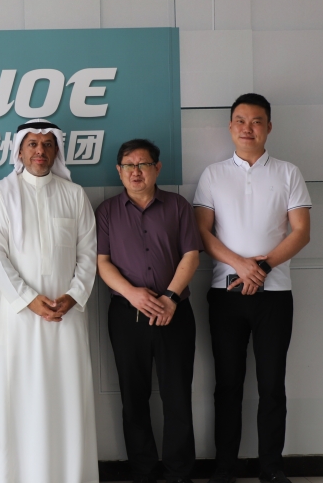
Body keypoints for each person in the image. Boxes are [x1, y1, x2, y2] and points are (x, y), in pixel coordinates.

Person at [193, 93, 311, 483]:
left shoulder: (288, 172)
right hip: (224, 294)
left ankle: (271, 467)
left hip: (274, 296)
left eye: (257, 121)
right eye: (240, 121)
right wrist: (241, 265)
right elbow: (202, 232)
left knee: (272, 385)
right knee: (227, 384)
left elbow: (301, 232)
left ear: (269, 127)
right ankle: (225, 466)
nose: (248, 128)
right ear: (230, 127)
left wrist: (262, 267)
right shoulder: (212, 175)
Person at [0, 119, 99, 483]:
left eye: (48, 144)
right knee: (21, 396)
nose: (40, 151)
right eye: (32, 144)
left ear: (56, 151)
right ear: (19, 150)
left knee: (67, 396)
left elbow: (88, 254)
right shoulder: (3, 194)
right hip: (18, 318)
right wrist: (28, 299)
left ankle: (70, 475)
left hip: (67, 315)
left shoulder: (74, 194)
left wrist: (73, 296)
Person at [96, 139, 203, 483]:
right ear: (119, 171)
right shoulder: (107, 211)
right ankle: (143, 470)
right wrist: (132, 294)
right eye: (129, 165)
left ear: (157, 168)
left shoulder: (178, 206)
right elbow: (102, 262)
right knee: (133, 396)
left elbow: (191, 255)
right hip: (127, 315)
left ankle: (179, 472)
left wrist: (170, 297)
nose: (136, 172)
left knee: (177, 395)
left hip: (175, 312)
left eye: (143, 165)